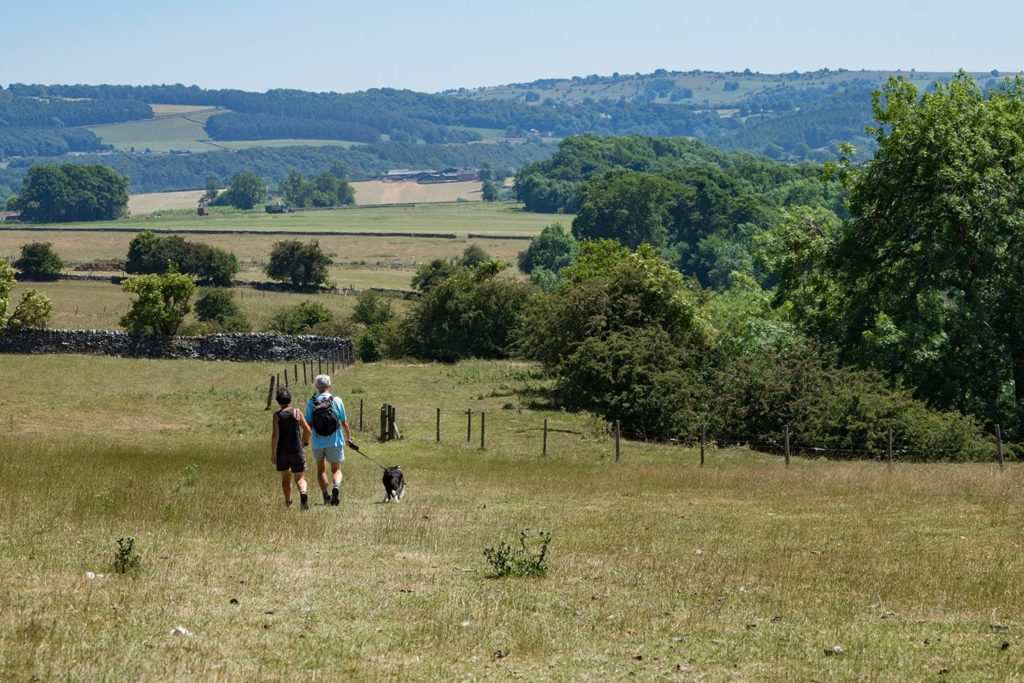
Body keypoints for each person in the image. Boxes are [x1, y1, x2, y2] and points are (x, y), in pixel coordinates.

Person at [306, 374, 353, 506]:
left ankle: (326, 496)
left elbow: (308, 424)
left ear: (317, 386)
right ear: (329, 385)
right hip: (335, 441)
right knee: (336, 469)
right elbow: (344, 422)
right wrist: (349, 437)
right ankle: (336, 486)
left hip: (318, 442)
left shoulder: (311, 402)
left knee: (321, 470)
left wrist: (305, 440)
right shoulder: (337, 400)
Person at [271, 387, 313, 509]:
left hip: (282, 451)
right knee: (300, 477)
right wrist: (305, 442)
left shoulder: (277, 416)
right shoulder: (297, 412)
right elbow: (307, 430)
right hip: (297, 449)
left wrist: (273, 453)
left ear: (278, 401)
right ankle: (303, 493)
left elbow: (275, 436)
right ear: (290, 399)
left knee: (285, 478)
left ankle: (288, 502)